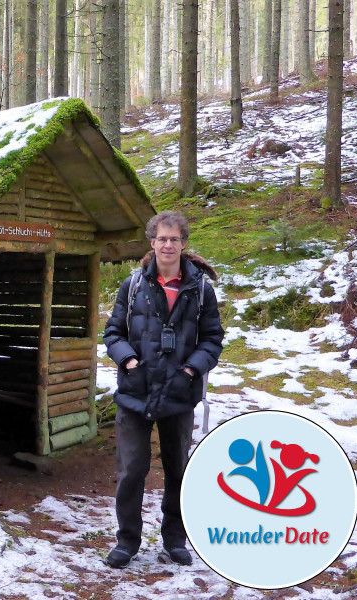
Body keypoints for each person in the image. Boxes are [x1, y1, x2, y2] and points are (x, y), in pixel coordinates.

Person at [102, 210, 224, 568]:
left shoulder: (201, 290)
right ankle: (127, 542)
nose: (168, 245)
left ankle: (175, 539)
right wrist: (129, 362)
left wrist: (190, 369)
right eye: (162, 238)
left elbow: (213, 339)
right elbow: (113, 333)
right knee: (131, 470)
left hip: (179, 393)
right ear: (152, 242)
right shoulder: (133, 285)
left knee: (178, 470)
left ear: (183, 245)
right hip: (135, 391)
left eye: (175, 239)